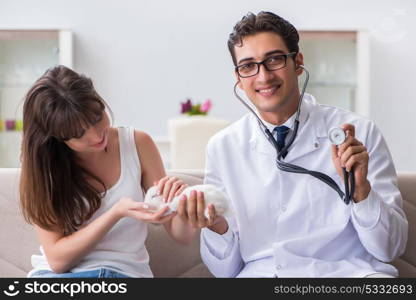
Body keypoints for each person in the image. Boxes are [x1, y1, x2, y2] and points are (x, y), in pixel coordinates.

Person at [182, 11, 408, 277]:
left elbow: (389, 249)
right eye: (248, 66)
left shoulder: (360, 133)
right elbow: (225, 272)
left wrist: (361, 190)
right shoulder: (223, 147)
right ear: (238, 79)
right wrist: (217, 227)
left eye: (274, 60)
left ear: (298, 62)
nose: (263, 76)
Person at [20, 65, 196, 278]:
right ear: (57, 137)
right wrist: (115, 213)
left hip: (126, 274)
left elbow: (182, 236)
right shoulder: (45, 168)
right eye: (78, 134)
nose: (95, 137)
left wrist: (183, 206)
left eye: (96, 119)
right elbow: (57, 261)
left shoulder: (137, 144)